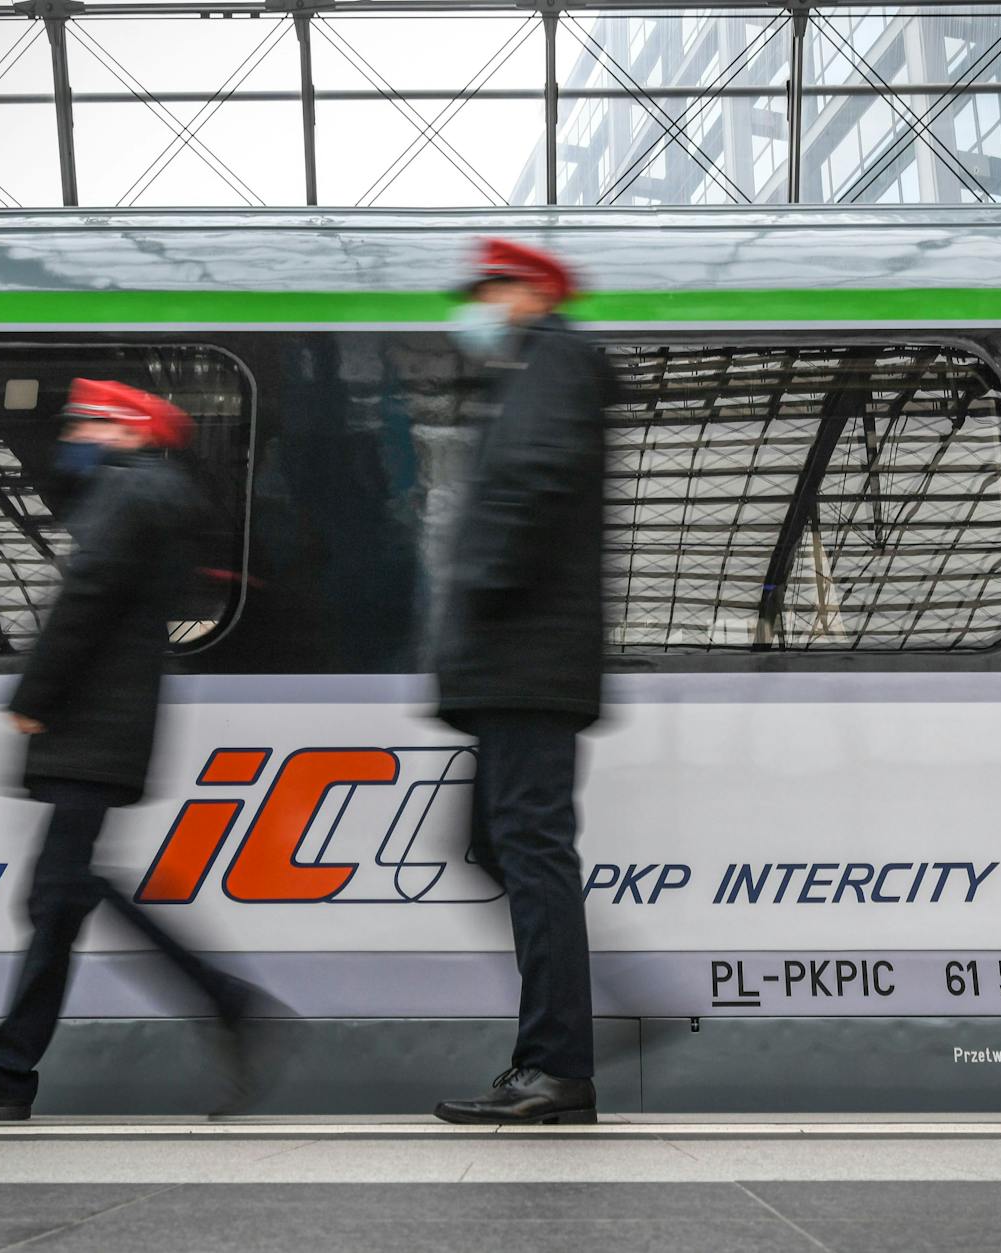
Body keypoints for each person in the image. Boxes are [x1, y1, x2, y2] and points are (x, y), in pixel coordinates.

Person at [0, 379, 249, 1121]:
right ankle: (14, 1068)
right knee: (61, 895)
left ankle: (11, 1070)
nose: (74, 437)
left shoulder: (127, 491)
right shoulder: (159, 494)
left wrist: (36, 695)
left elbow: (86, 596)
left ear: (129, 430)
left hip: (91, 723)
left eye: (88, 424)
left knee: (59, 894)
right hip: (112, 724)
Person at [432, 239, 615, 1126]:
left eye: (491, 288)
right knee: (502, 845)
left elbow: (532, 480)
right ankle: (569, 1038)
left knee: (533, 852)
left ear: (534, 290)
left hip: (527, 660)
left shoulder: (556, 360)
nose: (478, 304)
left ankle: (557, 1065)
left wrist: (478, 585)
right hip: (518, 662)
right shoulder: (534, 370)